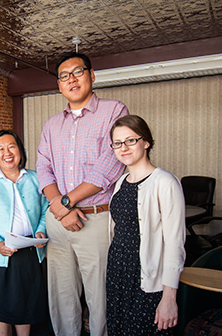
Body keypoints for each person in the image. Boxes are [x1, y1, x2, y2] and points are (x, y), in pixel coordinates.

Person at [36, 52, 129, 336]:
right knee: (61, 298)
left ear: (92, 75)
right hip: (58, 224)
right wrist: (60, 208)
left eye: (77, 72)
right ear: (59, 85)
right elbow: (43, 167)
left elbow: (109, 165)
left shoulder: (114, 111)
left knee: (100, 297)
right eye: (64, 76)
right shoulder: (52, 124)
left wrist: (66, 203)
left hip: (96, 221)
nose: (71, 79)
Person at [107, 115, 186, 335]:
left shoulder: (165, 182)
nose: (124, 147)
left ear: (146, 142)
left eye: (131, 140)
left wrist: (169, 298)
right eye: (117, 143)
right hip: (117, 272)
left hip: (146, 275)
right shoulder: (121, 182)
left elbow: (175, 244)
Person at [0, 130, 49, 336]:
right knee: (0, 310)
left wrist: (41, 231)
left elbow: (46, 210)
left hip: (30, 254)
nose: (7, 152)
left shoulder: (35, 178)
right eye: (1, 148)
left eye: (12, 146)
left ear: (20, 150)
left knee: (26, 308)